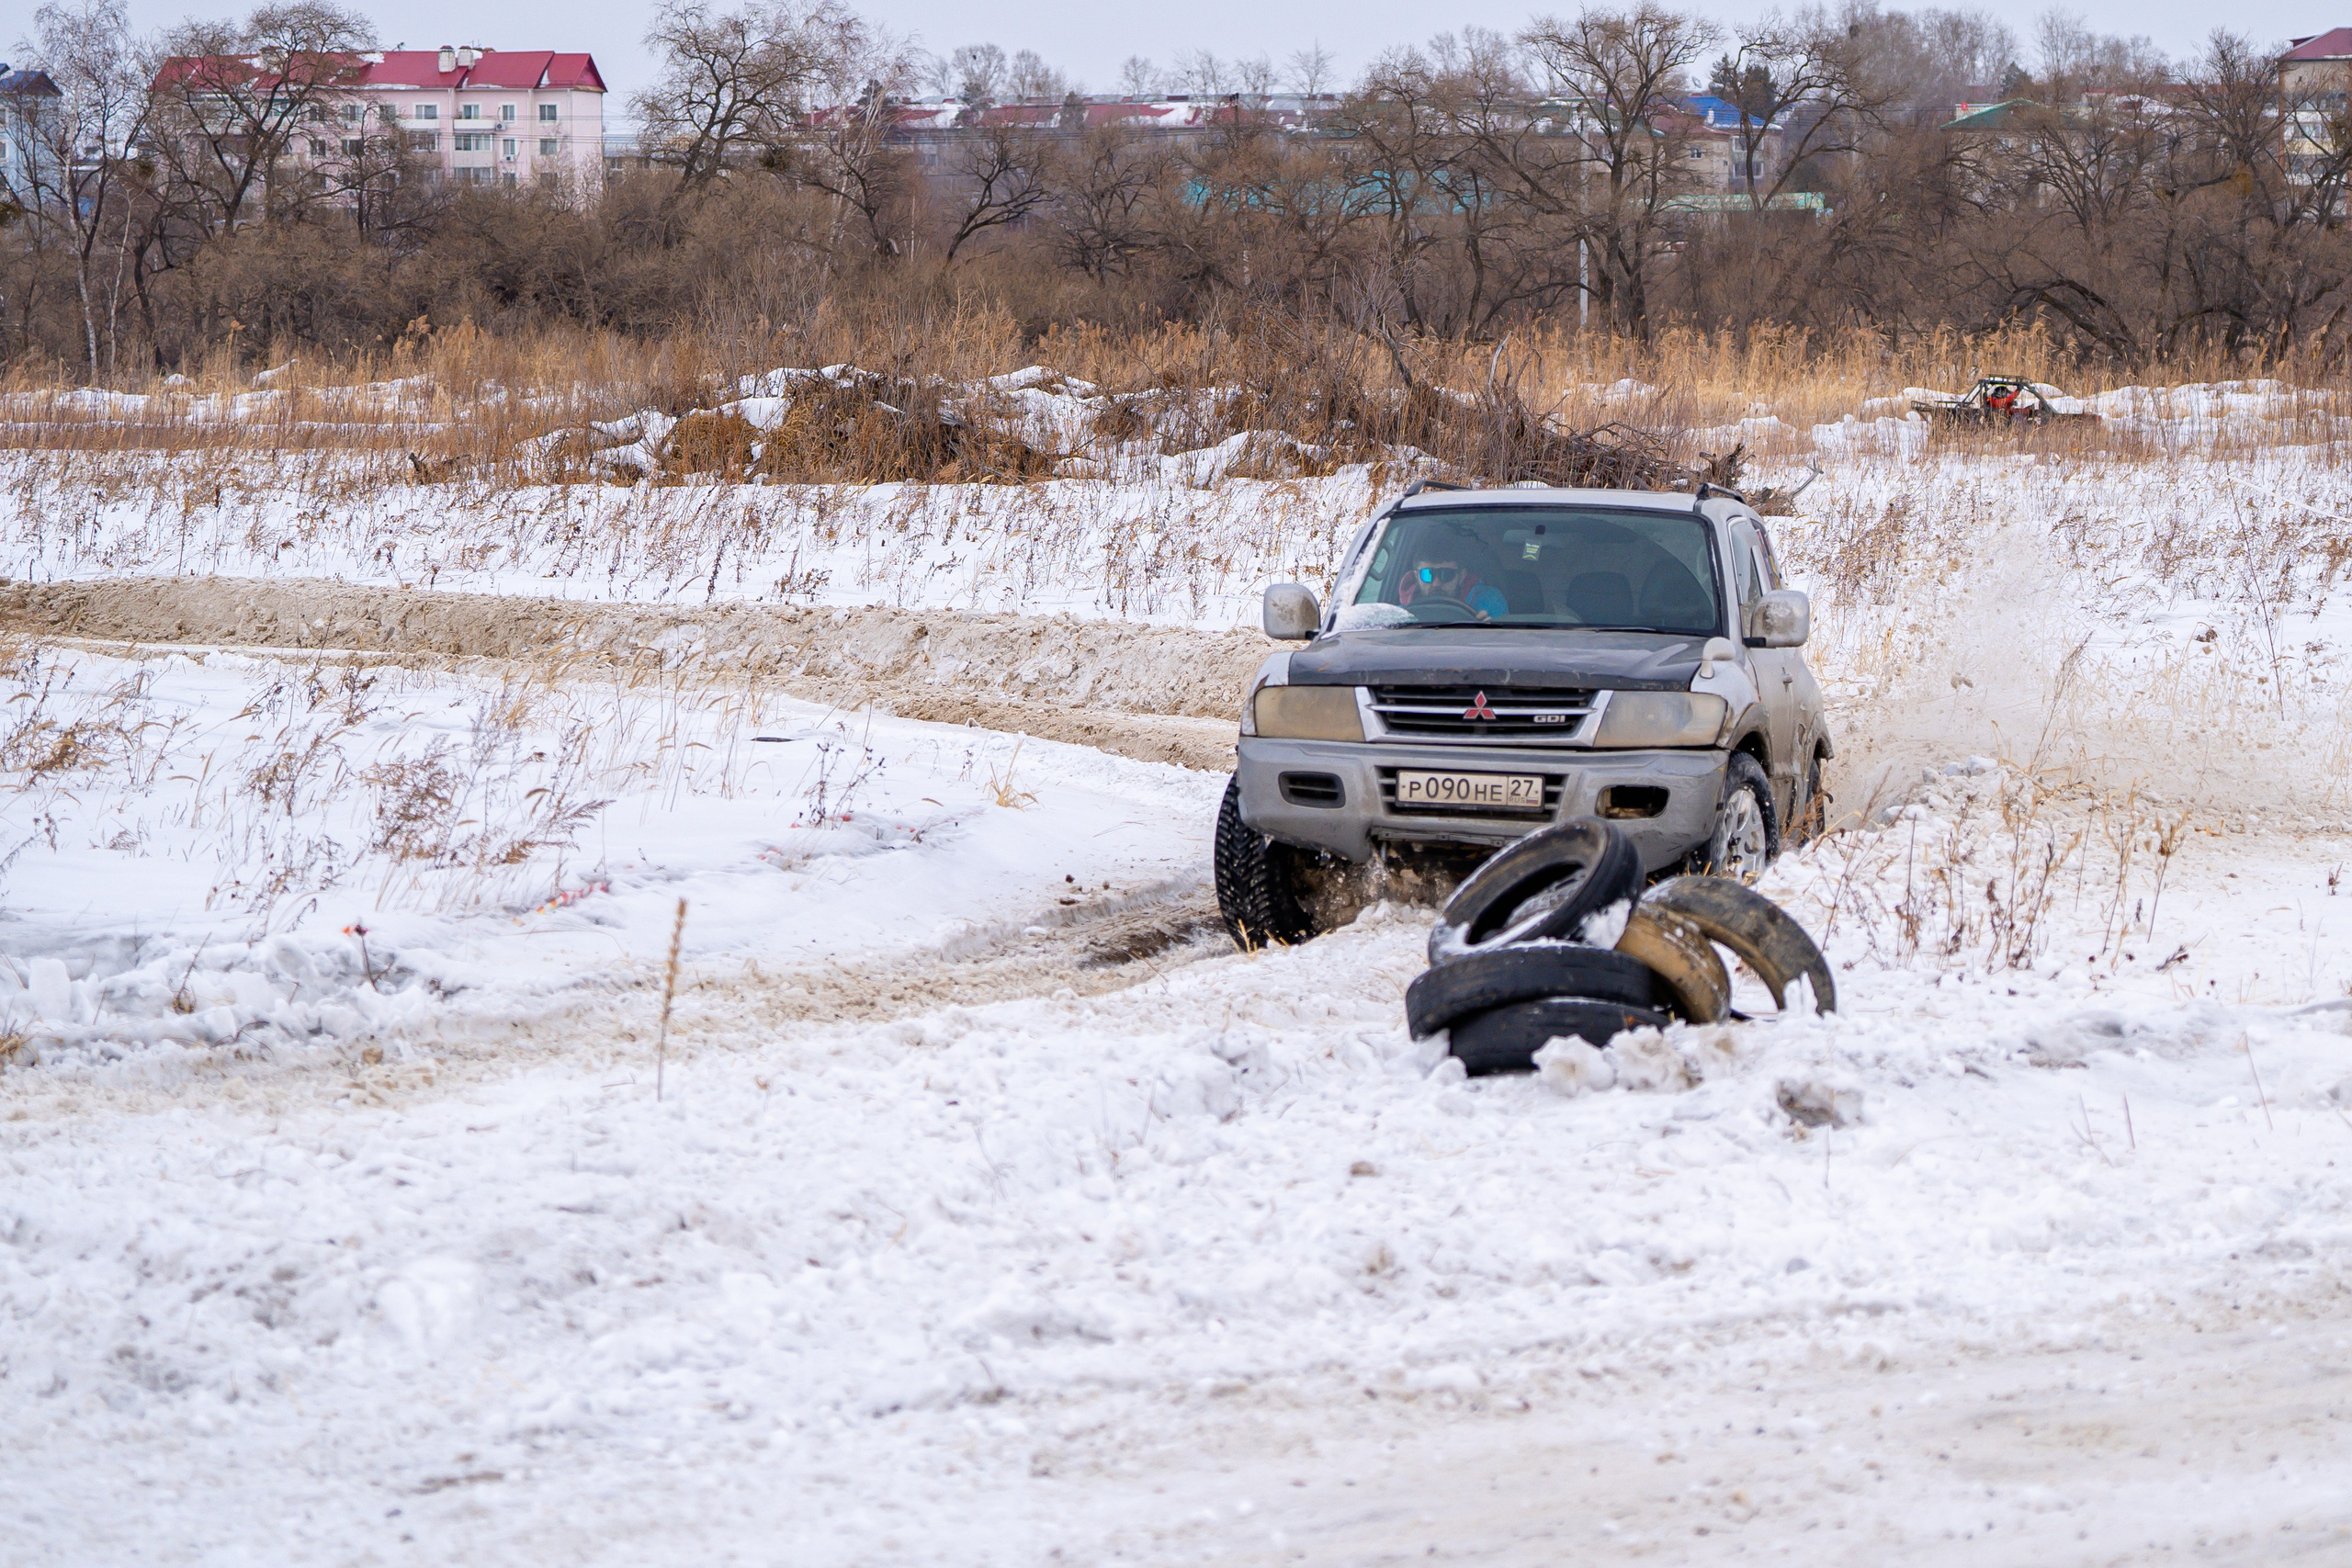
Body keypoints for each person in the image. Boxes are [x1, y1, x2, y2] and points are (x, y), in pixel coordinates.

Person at [1398, 556, 1510, 620]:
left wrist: (1489, 631)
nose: (1436, 583)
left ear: (1462, 576)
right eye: (1427, 575)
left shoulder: (1489, 601)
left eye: (1446, 574)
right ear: (1417, 576)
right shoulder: (1400, 614)